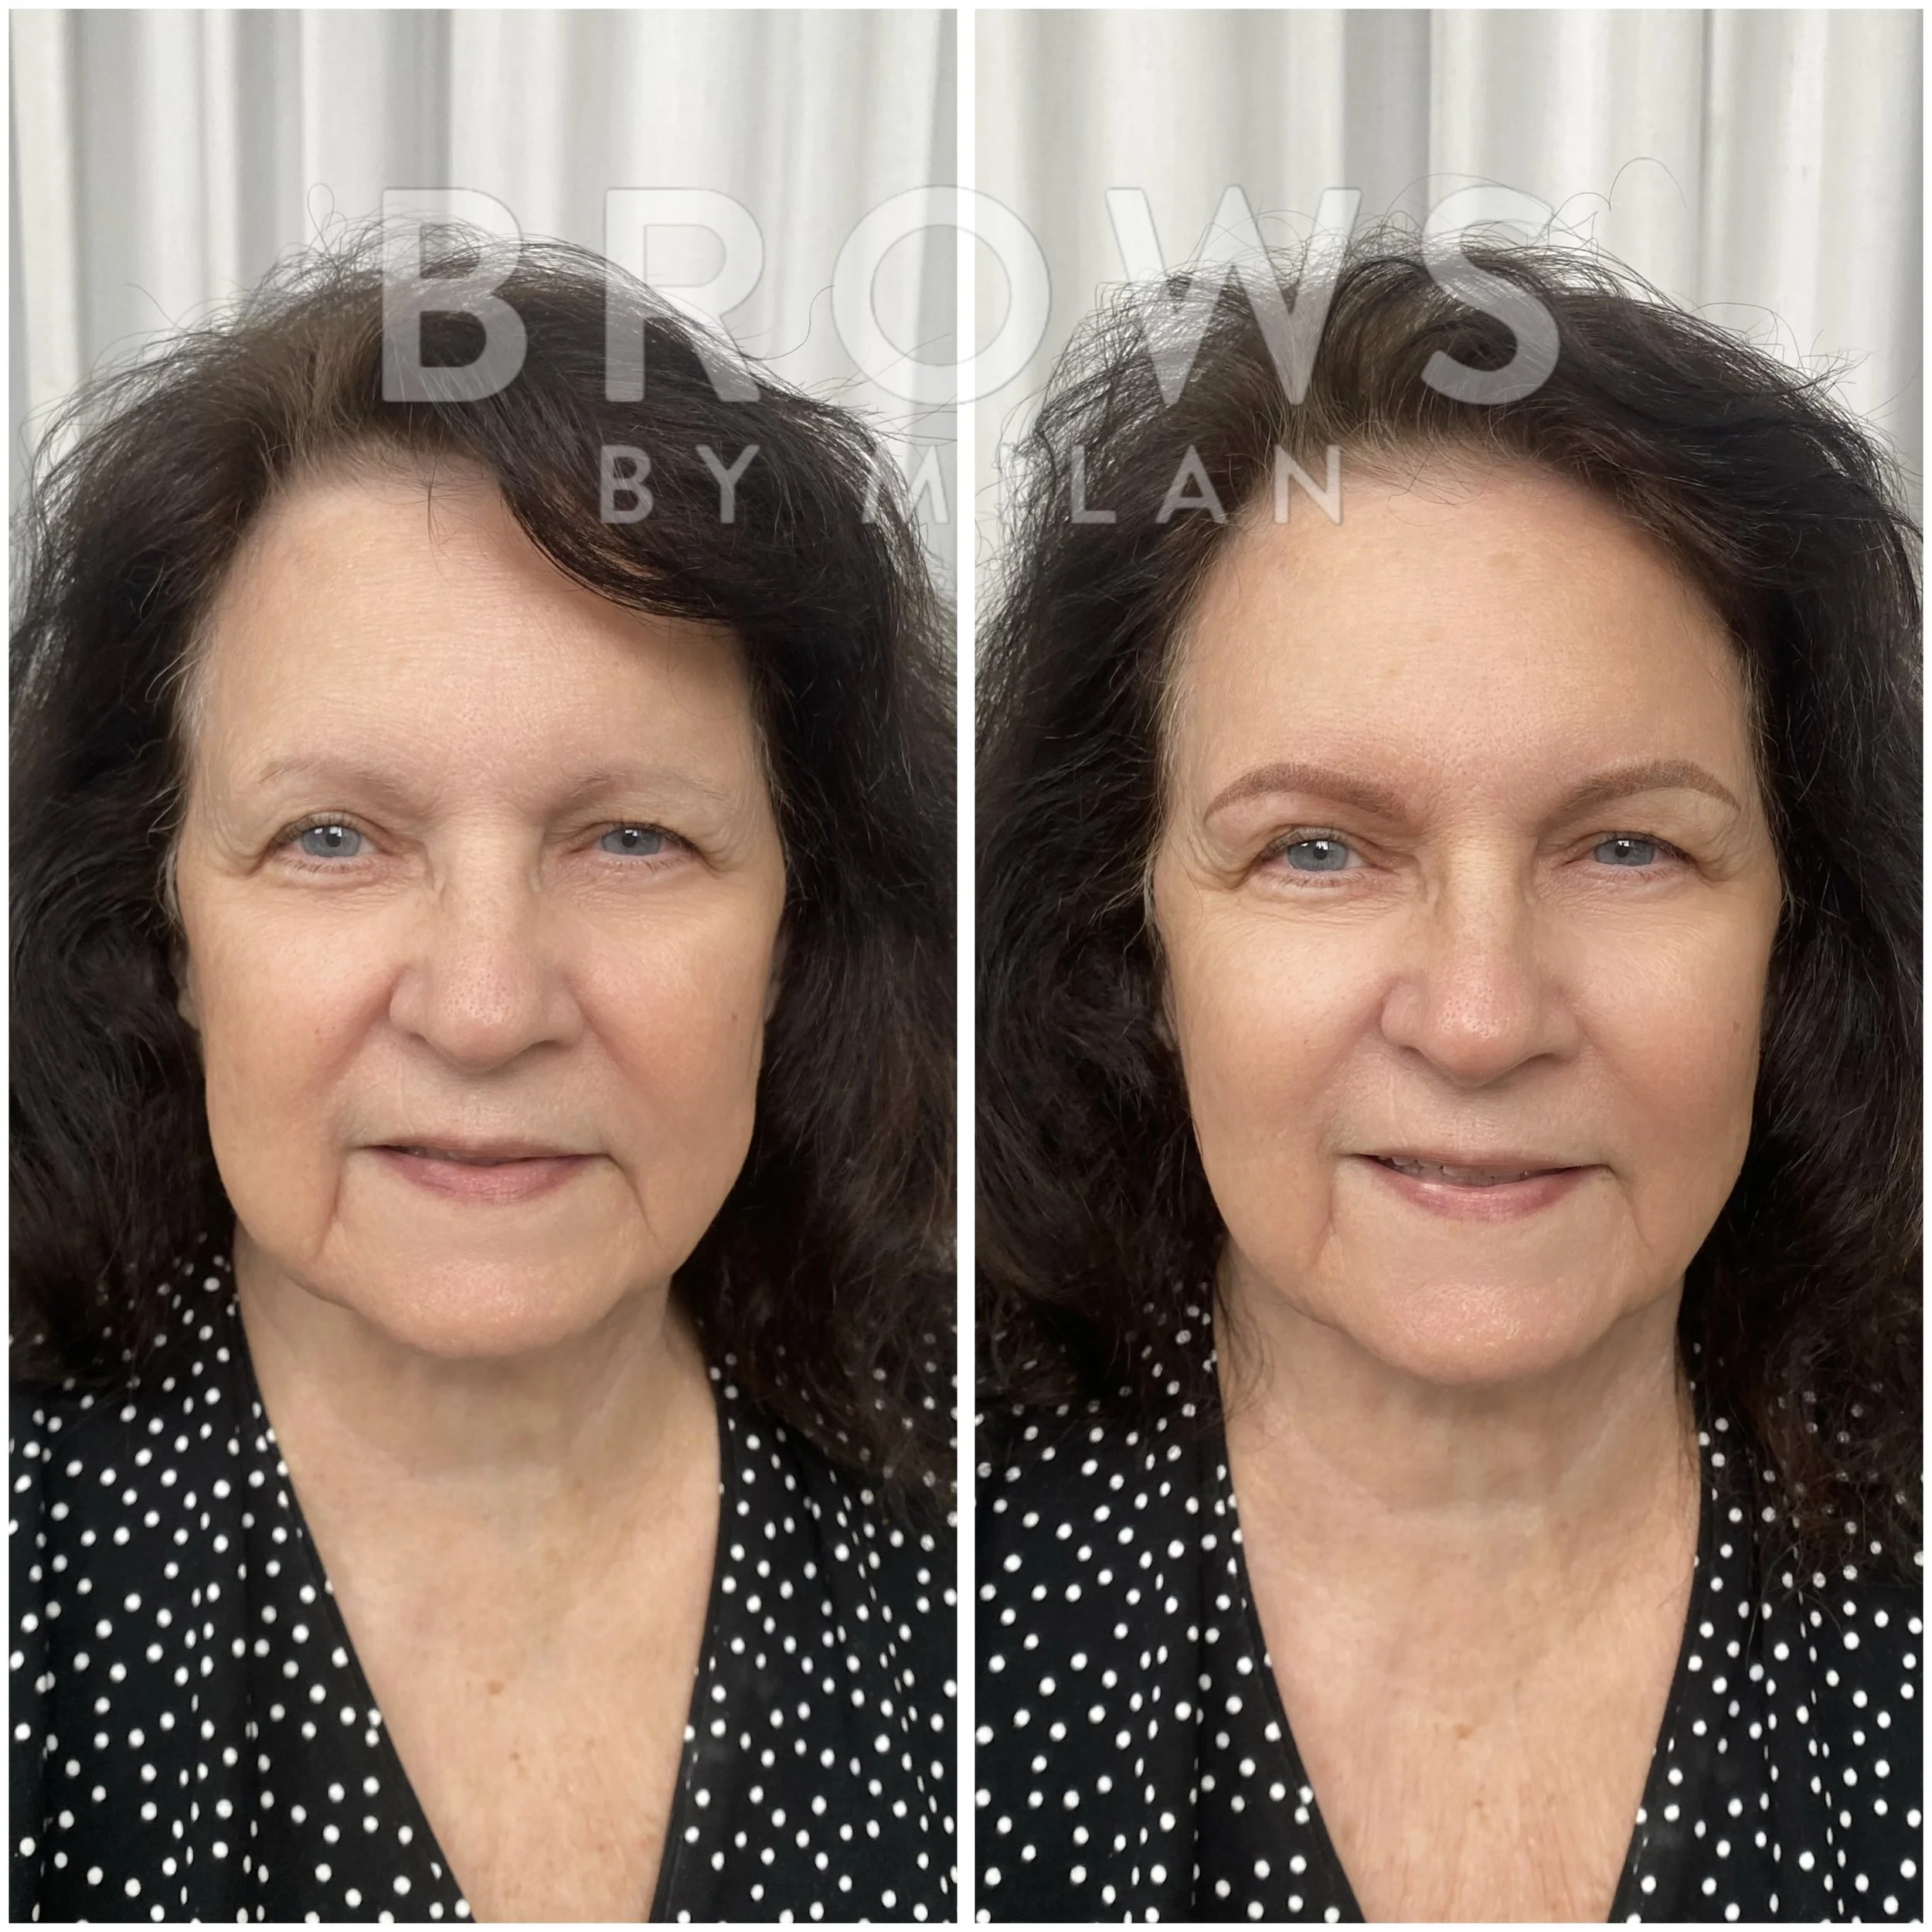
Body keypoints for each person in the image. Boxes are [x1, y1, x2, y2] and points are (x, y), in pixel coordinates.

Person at [12, 226, 955, 1924]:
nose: (483, 1001)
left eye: (630, 836)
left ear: (799, 928)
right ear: (158, 927)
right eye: (330, 836)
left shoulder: (1022, 1524)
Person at [975, 236, 1920, 1923]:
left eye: (1626, 845)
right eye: (1318, 848)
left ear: (1797, 925)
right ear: (1129, 939)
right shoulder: (900, 1588)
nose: (1480, 1019)